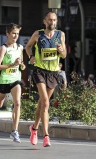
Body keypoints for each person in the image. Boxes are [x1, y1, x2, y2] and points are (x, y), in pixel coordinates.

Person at [25, 11, 66, 147]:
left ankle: (34, 129)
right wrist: (31, 57)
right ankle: (46, 136)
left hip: (53, 73)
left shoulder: (61, 35)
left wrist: (61, 50)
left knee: (42, 104)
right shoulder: (38, 34)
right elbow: (28, 46)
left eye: (54, 20)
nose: (52, 22)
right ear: (45, 21)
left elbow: (64, 55)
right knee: (46, 103)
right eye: (50, 20)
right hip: (40, 71)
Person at [0, 23, 26, 143]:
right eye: (13, 33)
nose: (15, 36)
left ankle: (14, 131)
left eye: (17, 34)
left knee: (17, 103)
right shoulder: (4, 48)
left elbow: (22, 64)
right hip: (4, 80)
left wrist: (21, 66)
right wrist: (12, 64)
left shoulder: (20, 48)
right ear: (7, 34)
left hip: (15, 79)